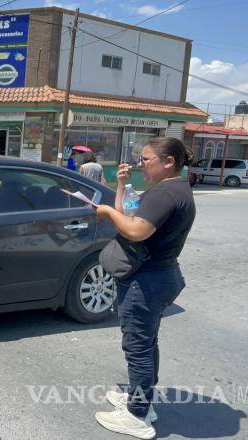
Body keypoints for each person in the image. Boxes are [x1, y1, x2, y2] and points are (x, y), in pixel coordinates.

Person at [93, 137, 196, 439]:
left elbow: (135, 230)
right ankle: (142, 400)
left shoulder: (166, 192)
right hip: (159, 275)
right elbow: (130, 215)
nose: (141, 164)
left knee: (138, 347)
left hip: (147, 280)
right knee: (147, 343)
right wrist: (121, 186)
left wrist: (108, 213)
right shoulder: (175, 188)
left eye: (146, 159)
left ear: (169, 162)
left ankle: (137, 415)